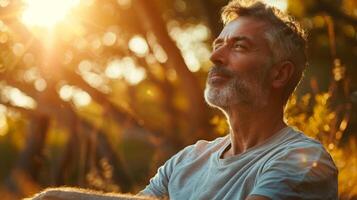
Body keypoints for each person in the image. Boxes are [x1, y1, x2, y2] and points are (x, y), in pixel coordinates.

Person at [28, 0, 338, 199]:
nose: (215, 56)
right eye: (218, 45)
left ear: (279, 75)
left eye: (239, 46)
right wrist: (55, 197)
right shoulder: (189, 159)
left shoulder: (302, 160)